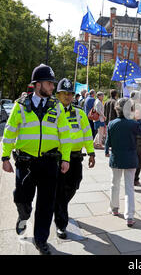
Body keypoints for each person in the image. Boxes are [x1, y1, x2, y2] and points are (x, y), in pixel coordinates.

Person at [1, 64, 72, 255]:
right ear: (38, 84)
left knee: (46, 205)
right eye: (49, 83)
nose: (52, 87)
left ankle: (41, 241)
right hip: (26, 163)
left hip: (49, 163)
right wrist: (5, 156)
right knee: (21, 198)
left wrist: (66, 159)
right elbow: (9, 132)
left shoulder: (56, 106)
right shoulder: (21, 105)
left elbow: (65, 135)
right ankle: (23, 215)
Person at [53, 78, 96, 239]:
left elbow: (87, 133)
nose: (67, 96)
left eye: (70, 94)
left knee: (74, 185)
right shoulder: (52, 112)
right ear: (58, 95)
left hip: (76, 157)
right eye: (64, 93)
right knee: (61, 190)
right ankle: (61, 224)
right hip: (59, 158)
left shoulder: (79, 112)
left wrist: (91, 153)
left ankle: (58, 207)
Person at [105, 98, 141, 227]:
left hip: (116, 157)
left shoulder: (112, 123)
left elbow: (108, 141)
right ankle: (129, 216)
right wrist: (136, 120)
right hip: (130, 158)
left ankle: (114, 208)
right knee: (129, 188)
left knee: (114, 184)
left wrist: (106, 152)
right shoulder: (133, 124)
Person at [130, 91, 141, 186]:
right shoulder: (139, 106)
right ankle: (135, 178)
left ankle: (130, 177)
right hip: (138, 136)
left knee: (130, 156)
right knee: (138, 158)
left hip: (129, 136)